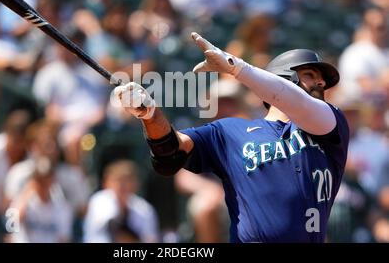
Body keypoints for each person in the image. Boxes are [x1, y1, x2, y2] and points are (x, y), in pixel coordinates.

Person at [114, 32, 350, 243]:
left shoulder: (331, 128)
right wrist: (151, 115)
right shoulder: (229, 132)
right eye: (310, 74)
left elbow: (299, 102)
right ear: (284, 77)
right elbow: (170, 154)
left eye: (322, 80)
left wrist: (235, 67)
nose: (321, 83)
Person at [83, 159, 159, 243]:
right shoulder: (99, 201)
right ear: (107, 182)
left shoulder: (145, 210)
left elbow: (151, 239)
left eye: (127, 180)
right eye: (117, 179)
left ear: (135, 183)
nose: (121, 185)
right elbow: (109, 228)